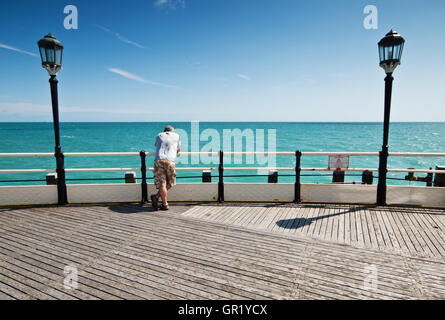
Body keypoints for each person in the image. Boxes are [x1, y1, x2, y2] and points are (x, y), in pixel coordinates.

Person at [151, 125, 180, 210]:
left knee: (162, 183)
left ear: (164, 131)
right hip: (170, 161)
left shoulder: (159, 135)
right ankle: (162, 202)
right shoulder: (177, 135)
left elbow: (157, 145)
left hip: (158, 160)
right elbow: (178, 150)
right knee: (170, 182)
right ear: (172, 131)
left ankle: (159, 199)